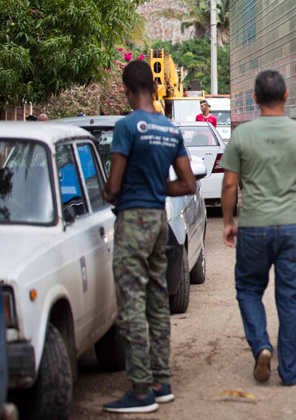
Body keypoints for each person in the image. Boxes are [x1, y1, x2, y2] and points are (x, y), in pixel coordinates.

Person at [221, 70, 296, 387]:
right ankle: (290, 372)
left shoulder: (241, 135)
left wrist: (229, 222)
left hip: (254, 228)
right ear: (285, 97)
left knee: (249, 290)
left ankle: (262, 346)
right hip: (295, 227)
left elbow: (229, 184)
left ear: (254, 99)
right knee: (290, 299)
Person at [101, 60, 196, 414]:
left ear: (127, 90)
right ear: (156, 90)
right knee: (158, 302)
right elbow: (188, 183)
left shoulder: (127, 126)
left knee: (130, 304)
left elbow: (113, 184)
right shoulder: (170, 130)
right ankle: (161, 381)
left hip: (133, 219)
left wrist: (112, 193)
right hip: (159, 220)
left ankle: (140, 391)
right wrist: (158, 186)